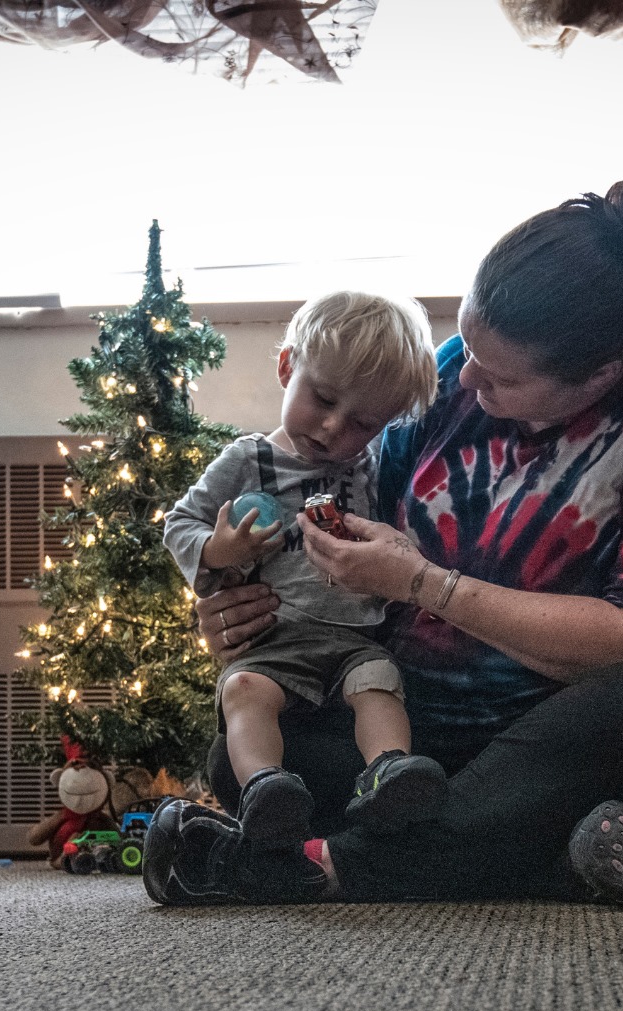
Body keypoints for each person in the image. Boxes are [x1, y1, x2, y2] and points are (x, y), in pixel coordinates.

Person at [143, 154, 623, 910]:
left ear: (601, 373)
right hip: (427, 738)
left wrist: (425, 585)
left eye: (503, 378)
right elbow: (345, 534)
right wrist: (238, 600)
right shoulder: (454, 374)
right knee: (247, 747)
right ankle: (547, 861)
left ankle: (322, 869)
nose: (467, 382)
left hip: (581, 740)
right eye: (468, 347)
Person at [162, 290, 448, 852]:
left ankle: (388, 772)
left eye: (363, 422)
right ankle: (265, 788)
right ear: (287, 367)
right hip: (275, 643)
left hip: (354, 641)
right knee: (244, 691)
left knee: (379, 684)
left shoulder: (370, 467)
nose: (334, 428)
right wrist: (218, 550)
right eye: (322, 398)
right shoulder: (247, 460)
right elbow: (179, 524)